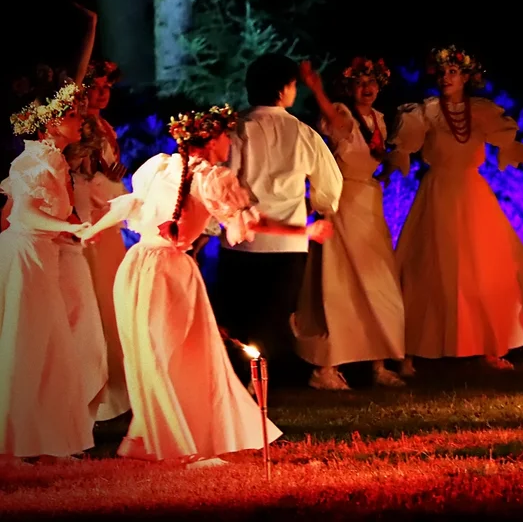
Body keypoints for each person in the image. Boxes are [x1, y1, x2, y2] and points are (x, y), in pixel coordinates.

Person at [76, 104, 333, 467]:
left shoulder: (165, 167)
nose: (230, 142)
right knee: (162, 356)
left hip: (142, 267)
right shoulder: (203, 176)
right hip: (162, 270)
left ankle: (170, 436)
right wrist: (304, 230)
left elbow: (131, 205)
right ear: (212, 139)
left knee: (178, 355)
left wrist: (94, 229)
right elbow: (249, 223)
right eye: (227, 136)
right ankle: (176, 443)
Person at [386, 45, 523, 372]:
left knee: (485, 269)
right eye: (441, 73)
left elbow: (515, 150)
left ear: (465, 76)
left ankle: (489, 347)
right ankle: (408, 352)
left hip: (473, 196)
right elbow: (401, 151)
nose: (445, 78)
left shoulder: (481, 113)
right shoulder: (424, 113)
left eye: (452, 72)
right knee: (424, 268)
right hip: (438, 195)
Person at [215, 53, 343, 385]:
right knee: (275, 318)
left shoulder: (238, 129)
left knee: (241, 319)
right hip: (289, 243)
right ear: (285, 88)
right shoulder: (302, 132)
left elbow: (225, 179)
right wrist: (319, 207)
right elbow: (330, 183)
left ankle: (240, 387)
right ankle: (265, 387)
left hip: (243, 241)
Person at [292, 57, 406, 390]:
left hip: (369, 204)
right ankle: (327, 368)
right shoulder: (341, 112)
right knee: (339, 283)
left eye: (371, 82)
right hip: (343, 204)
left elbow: (372, 155)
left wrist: (385, 167)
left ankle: (379, 362)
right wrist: (316, 89)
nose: (366, 88)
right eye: (359, 82)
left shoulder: (379, 120)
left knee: (379, 283)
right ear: (348, 88)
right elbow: (335, 124)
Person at [0, 81, 97, 463]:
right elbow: (22, 216)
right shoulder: (38, 161)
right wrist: (72, 228)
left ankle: (48, 439)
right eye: (72, 116)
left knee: (52, 345)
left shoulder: (48, 159)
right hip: (27, 258)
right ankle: (13, 442)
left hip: (40, 256)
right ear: (50, 124)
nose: (80, 122)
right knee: (25, 345)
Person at [65, 58, 130, 420]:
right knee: (93, 299)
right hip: (89, 213)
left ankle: (113, 386)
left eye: (108, 88)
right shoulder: (81, 127)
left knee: (109, 299)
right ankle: (91, 387)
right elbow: (86, 173)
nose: (103, 95)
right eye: (97, 87)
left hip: (107, 215)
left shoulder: (103, 126)